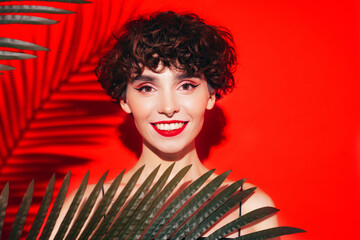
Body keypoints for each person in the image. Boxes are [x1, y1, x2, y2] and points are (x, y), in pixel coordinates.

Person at [55, 11, 279, 239]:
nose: (168, 107)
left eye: (186, 85)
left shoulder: (249, 209)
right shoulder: (87, 209)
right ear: (124, 100)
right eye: (146, 88)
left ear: (211, 95)